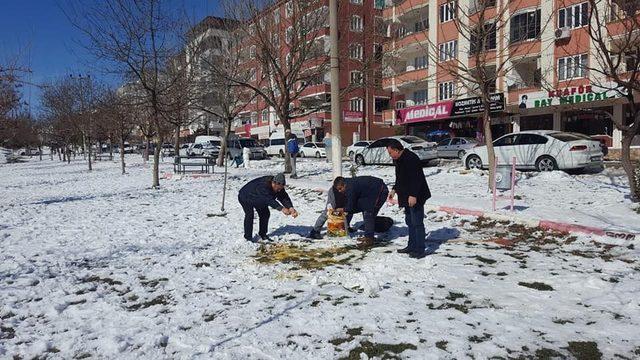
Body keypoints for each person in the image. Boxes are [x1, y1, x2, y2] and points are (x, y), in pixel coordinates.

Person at [387, 139, 431, 258]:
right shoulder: (399, 160)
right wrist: (394, 189)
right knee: (410, 222)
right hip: (406, 195)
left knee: (417, 222)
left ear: (396, 150)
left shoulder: (411, 158)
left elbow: (416, 179)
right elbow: (400, 177)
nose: (390, 155)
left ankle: (420, 249)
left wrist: (413, 195)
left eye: (390, 153)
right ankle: (412, 245)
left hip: (415, 195)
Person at [238, 173, 298, 242]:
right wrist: (282, 208)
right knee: (250, 214)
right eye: (278, 189)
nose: (279, 190)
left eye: (280, 189)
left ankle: (262, 234)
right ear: (274, 183)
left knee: (265, 214)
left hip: (259, 198)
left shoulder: (279, 186)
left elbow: (283, 197)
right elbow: (269, 200)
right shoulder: (263, 186)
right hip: (245, 196)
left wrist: (290, 207)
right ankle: (248, 237)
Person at [336, 176, 389, 249]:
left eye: (340, 188)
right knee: (366, 211)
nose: (339, 191)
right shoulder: (349, 185)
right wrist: (346, 209)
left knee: (368, 213)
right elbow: (352, 205)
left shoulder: (350, 188)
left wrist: (343, 209)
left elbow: (351, 206)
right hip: (370, 193)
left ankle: (369, 239)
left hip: (380, 191)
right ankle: (368, 236)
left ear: (344, 185)